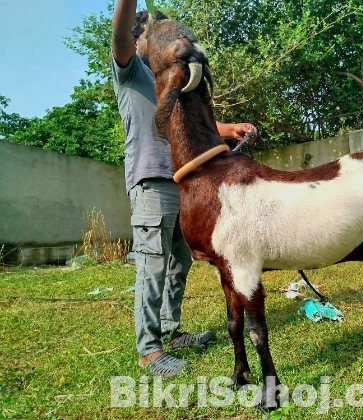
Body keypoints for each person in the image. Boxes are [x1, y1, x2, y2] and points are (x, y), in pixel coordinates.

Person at [111, 0, 257, 377]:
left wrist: (230, 129)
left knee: (180, 260)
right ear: (137, 40)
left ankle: (170, 330)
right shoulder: (129, 70)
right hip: (152, 181)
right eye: (152, 31)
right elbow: (119, 32)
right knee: (152, 263)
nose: (163, 36)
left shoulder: (168, 75)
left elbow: (196, 120)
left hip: (182, 181)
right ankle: (149, 350)